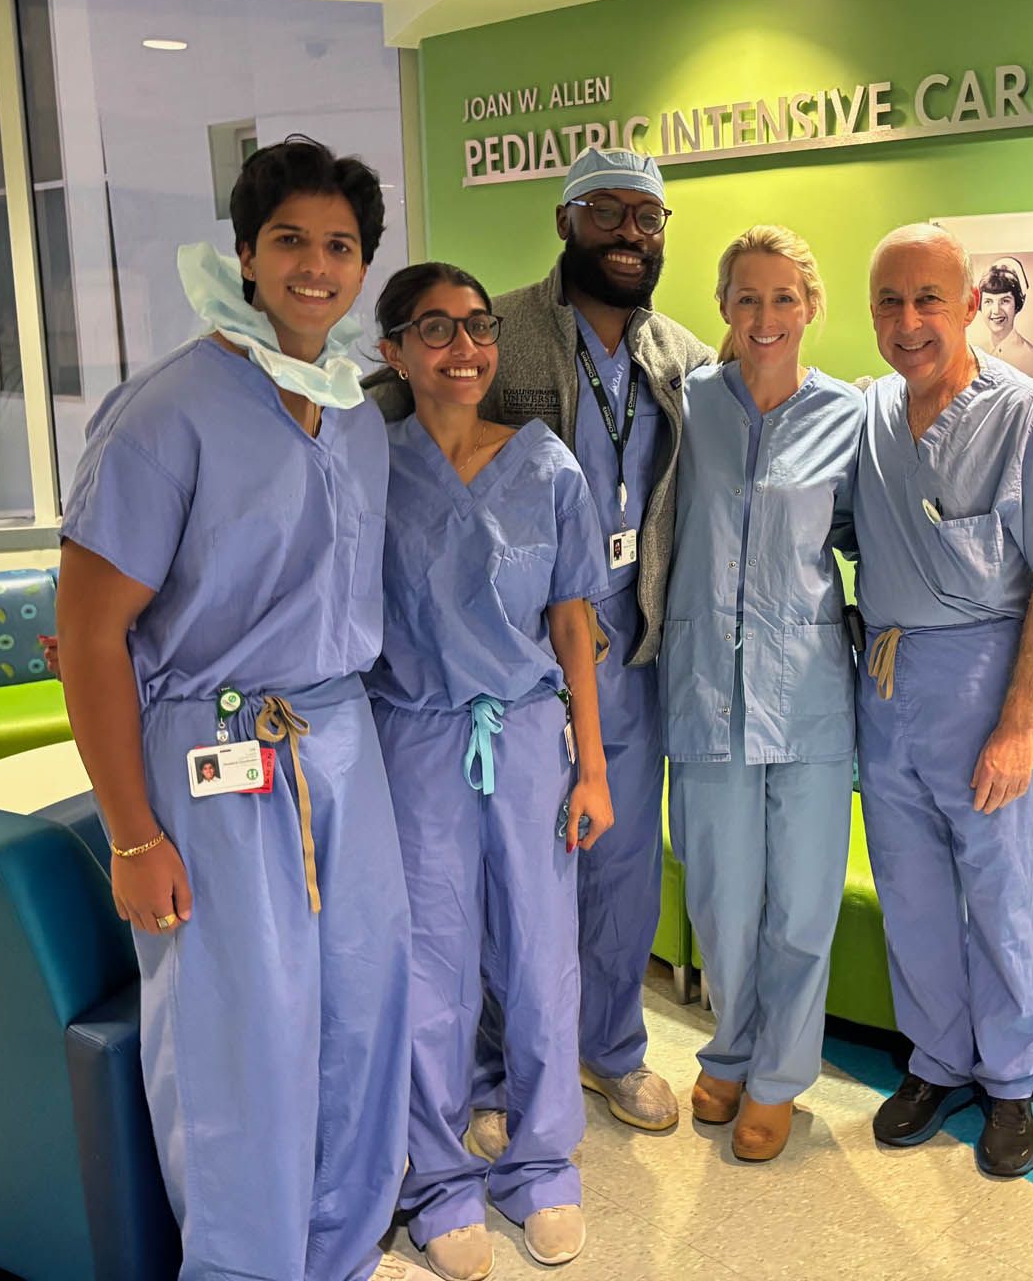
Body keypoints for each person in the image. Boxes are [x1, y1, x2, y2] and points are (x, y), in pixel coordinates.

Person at [54, 136, 411, 1281]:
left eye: (340, 246)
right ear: (247, 256)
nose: (316, 266)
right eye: (291, 241)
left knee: (363, 1012)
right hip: (213, 758)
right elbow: (91, 638)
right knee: (235, 1042)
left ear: (364, 269)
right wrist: (132, 835)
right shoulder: (168, 411)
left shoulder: (355, 410)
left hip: (339, 742)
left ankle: (341, 1251)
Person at [369, 147, 712, 1140]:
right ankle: (490, 1068)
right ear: (565, 222)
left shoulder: (678, 357)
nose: (630, 234)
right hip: (503, 653)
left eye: (649, 218)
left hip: (621, 650)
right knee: (485, 884)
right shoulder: (495, 331)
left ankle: (610, 1049)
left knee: (617, 869)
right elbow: (389, 412)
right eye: (607, 212)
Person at [367, 262, 613, 1277]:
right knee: (428, 962)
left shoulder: (548, 465)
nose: (465, 348)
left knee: (541, 955)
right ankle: (436, 1178)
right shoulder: (369, 470)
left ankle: (542, 1161)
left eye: (477, 328)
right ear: (391, 351)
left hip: (522, 739)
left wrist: (591, 768)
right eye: (436, 329)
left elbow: (573, 623)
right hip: (415, 738)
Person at [853, 223, 1033, 1179]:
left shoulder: (1028, 416)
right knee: (909, 889)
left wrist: (1019, 725)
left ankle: (1009, 1082)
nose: (909, 323)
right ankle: (938, 1059)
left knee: (1000, 891)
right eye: (890, 303)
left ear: (966, 307)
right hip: (886, 683)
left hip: (988, 686)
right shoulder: (869, 413)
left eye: (928, 302)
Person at [663, 225, 863, 1162]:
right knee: (722, 898)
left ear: (811, 306)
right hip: (706, 688)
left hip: (812, 693)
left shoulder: (850, 415)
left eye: (785, 298)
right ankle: (731, 1048)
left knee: (802, 903)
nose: (767, 316)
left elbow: (874, 542)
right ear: (725, 308)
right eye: (748, 297)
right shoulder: (686, 403)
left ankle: (779, 1076)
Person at [977, 256, 1033, 378]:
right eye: (988, 301)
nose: (996, 311)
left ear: (1017, 304)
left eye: (1005, 301)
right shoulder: (975, 352)